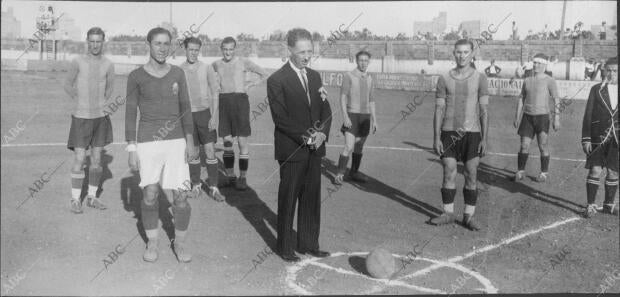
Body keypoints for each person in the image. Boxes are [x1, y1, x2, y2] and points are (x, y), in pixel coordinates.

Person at [125, 27, 197, 263]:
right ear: (149, 44)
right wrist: (132, 148)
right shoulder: (135, 76)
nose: (162, 48)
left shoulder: (177, 73)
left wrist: (189, 140)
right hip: (148, 141)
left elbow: (185, 108)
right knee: (150, 193)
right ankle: (153, 242)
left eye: (166, 44)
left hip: (176, 141)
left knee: (181, 196)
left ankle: (181, 243)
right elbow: (129, 113)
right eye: (158, 43)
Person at [267, 28, 332, 262]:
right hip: (292, 149)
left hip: (316, 150)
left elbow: (326, 109)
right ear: (289, 51)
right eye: (302, 52)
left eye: (310, 51)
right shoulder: (276, 80)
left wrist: (322, 133)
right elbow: (280, 118)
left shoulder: (314, 76)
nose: (307, 56)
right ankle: (284, 247)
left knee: (312, 197)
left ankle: (308, 243)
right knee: (289, 196)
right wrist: (307, 136)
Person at [432, 39, 489, 231]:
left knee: (471, 174)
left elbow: (484, 110)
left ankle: (468, 216)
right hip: (448, 132)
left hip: (472, 134)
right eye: (458, 52)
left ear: (472, 53)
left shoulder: (480, 78)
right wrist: (436, 137)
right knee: (448, 170)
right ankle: (447, 213)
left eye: (465, 52)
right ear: (453, 53)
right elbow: (439, 109)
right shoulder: (444, 79)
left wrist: (485, 138)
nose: (462, 55)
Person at [64, 27, 115, 214]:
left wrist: (99, 105)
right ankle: (75, 199)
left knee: (96, 159)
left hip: (100, 118)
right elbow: (67, 84)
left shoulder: (109, 64)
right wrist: (80, 103)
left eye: (98, 41)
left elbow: (110, 88)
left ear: (103, 42)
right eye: (92, 41)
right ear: (87, 41)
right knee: (79, 158)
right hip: (81, 118)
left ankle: (92, 197)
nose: (95, 45)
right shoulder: (77, 61)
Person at [212, 37, 268, 191]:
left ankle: (243, 177)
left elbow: (263, 73)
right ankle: (230, 176)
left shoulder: (243, 62)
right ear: (221, 49)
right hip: (224, 102)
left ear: (234, 49)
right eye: (225, 49)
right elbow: (207, 77)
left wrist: (251, 84)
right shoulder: (216, 64)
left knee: (242, 142)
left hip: (240, 102)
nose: (228, 52)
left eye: (231, 49)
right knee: (227, 143)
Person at [179, 37, 225, 202]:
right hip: (187, 115)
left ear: (199, 51)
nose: (193, 53)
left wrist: (214, 116)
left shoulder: (206, 68)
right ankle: (196, 185)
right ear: (185, 49)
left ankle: (214, 188)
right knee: (194, 152)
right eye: (190, 49)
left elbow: (215, 93)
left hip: (205, 114)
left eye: (196, 50)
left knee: (210, 150)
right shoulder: (179, 70)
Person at [513, 53, 560, 183]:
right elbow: (521, 98)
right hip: (527, 117)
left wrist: (556, 118)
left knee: (542, 145)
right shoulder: (527, 80)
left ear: (544, 65)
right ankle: (520, 171)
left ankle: (544, 173)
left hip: (542, 117)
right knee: (524, 145)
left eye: (538, 63)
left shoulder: (550, 80)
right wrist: (517, 116)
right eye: (534, 63)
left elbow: (556, 99)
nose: (536, 65)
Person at [581, 56, 618, 217]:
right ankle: (590, 205)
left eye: (615, 71)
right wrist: (586, 138)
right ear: (604, 71)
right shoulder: (596, 89)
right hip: (598, 137)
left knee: (613, 172)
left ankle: (609, 204)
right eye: (608, 70)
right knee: (595, 170)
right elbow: (588, 114)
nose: (611, 74)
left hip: (616, 138)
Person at [334, 50, 377, 185]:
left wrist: (374, 120)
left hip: (365, 117)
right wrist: (345, 117)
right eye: (361, 60)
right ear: (356, 61)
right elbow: (342, 97)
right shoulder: (349, 76)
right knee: (348, 145)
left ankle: (354, 172)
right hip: (352, 115)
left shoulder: (370, 79)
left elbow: (372, 101)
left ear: (369, 62)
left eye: (366, 60)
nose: (363, 63)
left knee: (359, 146)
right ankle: (339, 174)